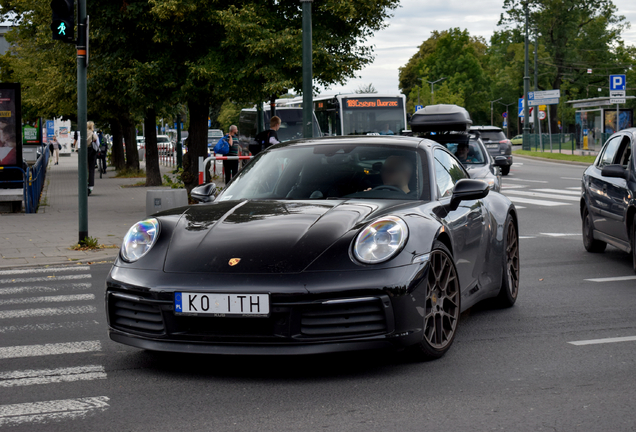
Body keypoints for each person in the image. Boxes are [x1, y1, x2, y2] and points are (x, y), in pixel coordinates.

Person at [86, 121, 99, 196]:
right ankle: (90, 186)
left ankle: (83, 185)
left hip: (83, 153)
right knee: (91, 169)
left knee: (84, 169)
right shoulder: (92, 134)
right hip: (91, 152)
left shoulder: (82, 133)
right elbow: (97, 144)